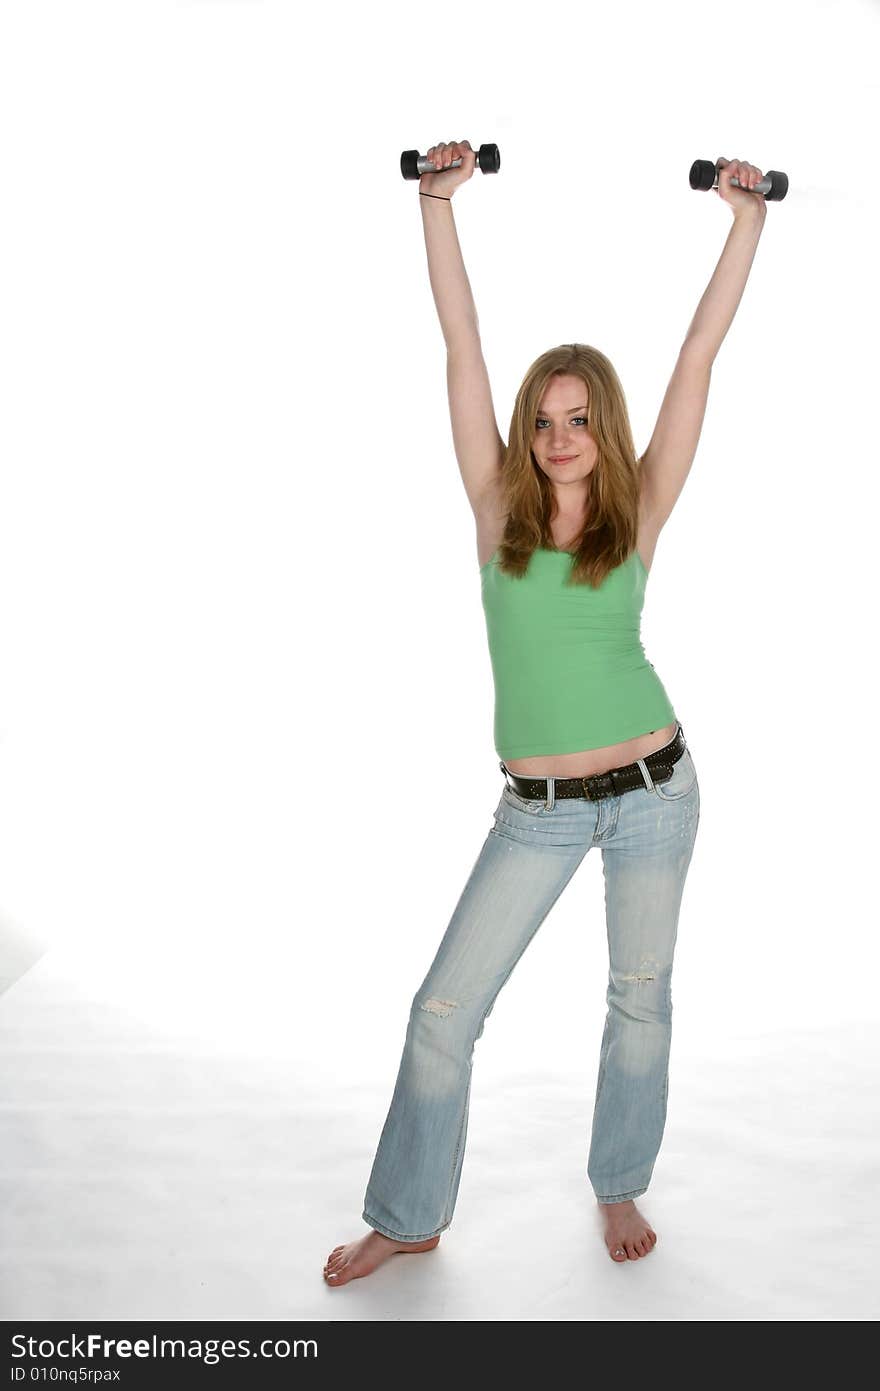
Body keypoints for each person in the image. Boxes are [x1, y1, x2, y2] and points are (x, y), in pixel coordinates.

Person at [324, 141, 768, 1285]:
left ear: (603, 425)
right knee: (442, 1007)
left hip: (657, 790)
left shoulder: (642, 505)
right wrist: (437, 201)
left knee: (639, 997)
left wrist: (744, 223)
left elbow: (697, 354)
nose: (560, 435)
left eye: (578, 417)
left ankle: (618, 1179)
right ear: (524, 431)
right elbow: (460, 344)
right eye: (543, 419)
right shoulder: (493, 509)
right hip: (538, 809)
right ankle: (409, 1210)